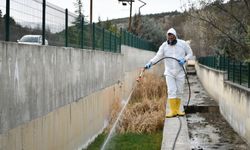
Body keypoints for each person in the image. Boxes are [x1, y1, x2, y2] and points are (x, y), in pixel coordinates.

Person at [145, 28, 193, 118]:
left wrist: (185, 59)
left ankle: (178, 110)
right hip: (169, 72)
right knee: (171, 90)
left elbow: (190, 53)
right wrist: (150, 63)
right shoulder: (164, 45)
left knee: (179, 91)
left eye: (172, 37)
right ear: (167, 37)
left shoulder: (183, 44)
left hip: (181, 72)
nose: (170, 39)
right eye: (169, 37)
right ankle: (172, 111)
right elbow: (158, 56)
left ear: (175, 36)